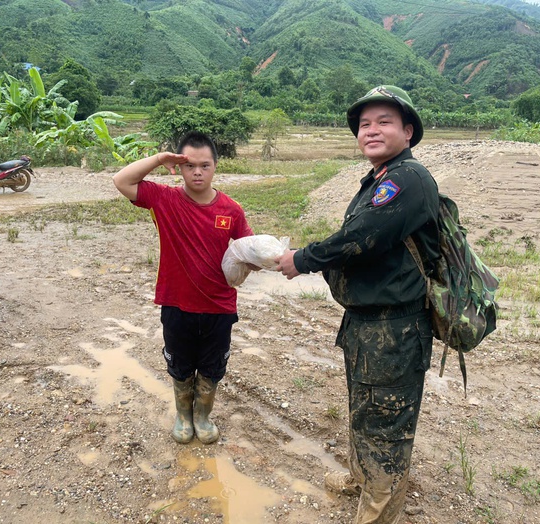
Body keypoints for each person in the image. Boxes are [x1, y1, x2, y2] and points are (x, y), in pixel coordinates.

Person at [275, 85, 440, 524]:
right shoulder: (381, 178)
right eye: (364, 124)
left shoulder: (407, 179)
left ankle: (377, 510)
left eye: (384, 121)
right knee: (364, 410)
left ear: (408, 131)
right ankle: (361, 479)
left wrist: (302, 260)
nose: (371, 130)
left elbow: (360, 237)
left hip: (394, 330)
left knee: (386, 428)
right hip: (368, 326)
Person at [113, 131, 254, 445]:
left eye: (205, 165)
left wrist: (257, 260)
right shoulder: (165, 199)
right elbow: (121, 180)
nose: (198, 172)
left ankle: (202, 417)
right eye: (190, 166)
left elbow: (248, 248)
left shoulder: (231, 210)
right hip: (177, 304)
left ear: (216, 166)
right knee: (179, 365)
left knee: (212, 367)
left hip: (219, 307)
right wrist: (161, 159)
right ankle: (183, 416)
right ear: (180, 167)